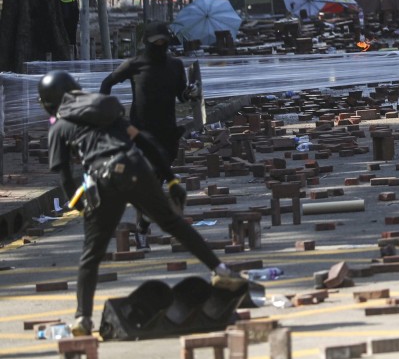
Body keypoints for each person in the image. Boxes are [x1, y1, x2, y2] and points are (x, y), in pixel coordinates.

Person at [39, 70, 245, 337]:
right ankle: (222, 271)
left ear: (48, 102)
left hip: (104, 179)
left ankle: (82, 320)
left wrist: (79, 205)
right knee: (172, 222)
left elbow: (65, 176)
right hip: (135, 167)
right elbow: (144, 141)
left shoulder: (59, 127)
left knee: (91, 255)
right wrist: (170, 179)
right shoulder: (106, 112)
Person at [100, 21, 196, 250]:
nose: (160, 47)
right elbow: (107, 82)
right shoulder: (134, 65)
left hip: (168, 134)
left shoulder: (175, 66)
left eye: (164, 43)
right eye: (156, 43)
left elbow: (182, 96)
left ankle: (142, 224)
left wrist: (191, 92)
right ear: (147, 44)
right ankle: (142, 229)